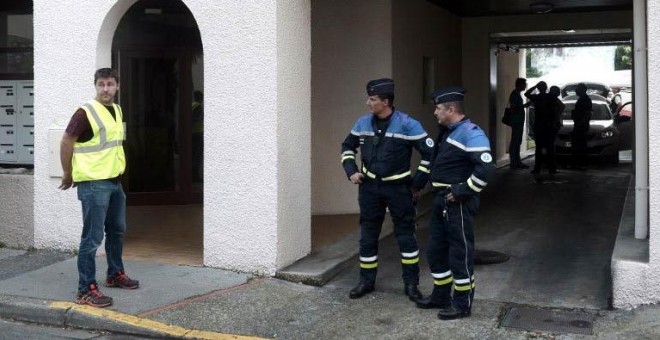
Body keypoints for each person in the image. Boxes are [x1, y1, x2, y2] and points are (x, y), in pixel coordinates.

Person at [341, 78, 435, 301]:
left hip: (399, 189)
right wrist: (351, 170)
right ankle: (366, 281)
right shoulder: (362, 123)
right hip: (369, 188)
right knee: (367, 236)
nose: (368, 103)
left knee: (406, 237)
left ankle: (411, 284)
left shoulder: (408, 124)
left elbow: (430, 155)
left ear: (386, 101)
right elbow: (347, 147)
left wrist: (417, 183)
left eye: (372, 99)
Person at [59, 68, 139, 308]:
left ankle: (115, 274)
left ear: (118, 86)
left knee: (116, 231)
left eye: (110, 84)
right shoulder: (85, 112)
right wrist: (67, 172)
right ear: (95, 86)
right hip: (93, 183)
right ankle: (85, 289)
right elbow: (66, 140)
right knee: (92, 238)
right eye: (101, 84)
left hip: (114, 181)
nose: (106, 89)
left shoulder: (116, 110)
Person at [415, 87, 495, 320]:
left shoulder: (471, 133)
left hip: (457, 203)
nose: (435, 113)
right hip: (441, 201)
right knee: (436, 251)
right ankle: (441, 296)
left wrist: (463, 190)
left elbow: (486, 168)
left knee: (460, 253)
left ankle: (462, 304)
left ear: (451, 109)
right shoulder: (448, 131)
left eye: (438, 108)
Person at [525, 81, 557, 175]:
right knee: (550, 148)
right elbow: (554, 111)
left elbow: (526, 93)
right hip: (549, 126)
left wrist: (535, 86)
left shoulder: (536, 97)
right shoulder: (550, 97)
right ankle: (551, 169)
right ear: (546, 87)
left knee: (539, 148)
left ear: (538, 88)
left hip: (539, 126)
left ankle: (537, 168)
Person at [507, 78, 529, 169]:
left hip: (518, 121)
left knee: (517, 141)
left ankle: (517, 162)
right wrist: (523, 106)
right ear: (520, 85)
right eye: (524, 84)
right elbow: (513, 108)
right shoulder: (514, 95)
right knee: (515, 142)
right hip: (516, 121)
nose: (525, 86)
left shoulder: (516, 94)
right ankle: (514, 162)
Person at [571, 83, 592, 170]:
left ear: (582, 90)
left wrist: (581, 123)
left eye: (577, 89)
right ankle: (579, 163)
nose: (576, 91)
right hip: (580, 124)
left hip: (581, 125)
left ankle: (581, 163)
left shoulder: (585, 100)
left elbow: (587, 114)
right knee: (579, 144)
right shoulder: (582, 99)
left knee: (580, 145)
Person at [192, 90, 204, 182]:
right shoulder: (198, 106)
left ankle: (193, 175)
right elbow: (195, 119)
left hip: (192, 133)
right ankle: (195, 176)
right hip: (198, 133)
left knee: (193, 155)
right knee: (197, 156)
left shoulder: (192, 105)